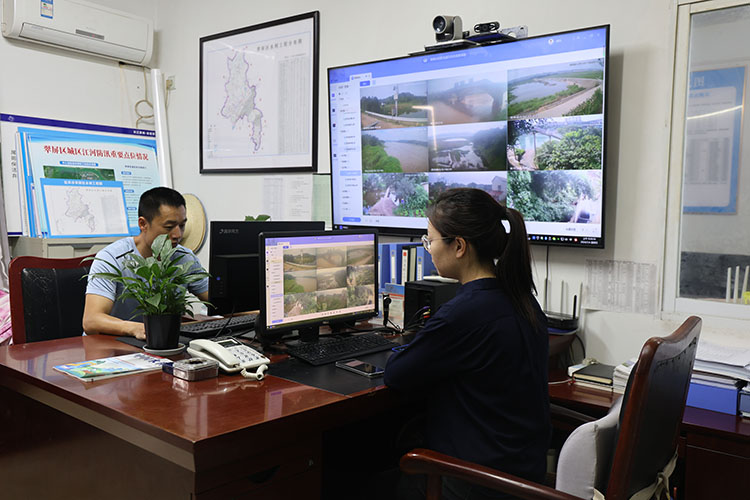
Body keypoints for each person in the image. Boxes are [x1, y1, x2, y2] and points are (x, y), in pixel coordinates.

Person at [384, 188, 550, 500]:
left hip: (474, 481)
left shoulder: (463, 315)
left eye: (430, 241)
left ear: (459, 246)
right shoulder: (521, 299)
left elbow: (396, 374)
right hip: (521, 474)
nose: (428, 250)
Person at [82, 187, 209, 340]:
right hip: (111, 346)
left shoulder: (185, 258)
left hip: (161, 345)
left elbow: (217, 300)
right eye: (169, 227)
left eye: (182, 225)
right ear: (143, 224)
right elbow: (91, 320)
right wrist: (134, 328)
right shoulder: (112, 258)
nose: (178, 235)